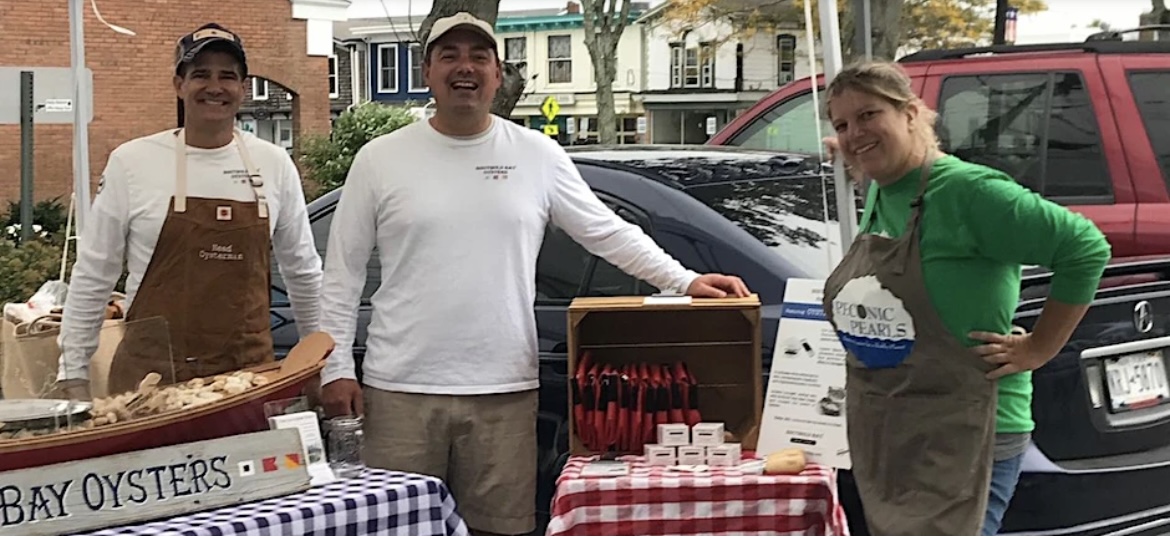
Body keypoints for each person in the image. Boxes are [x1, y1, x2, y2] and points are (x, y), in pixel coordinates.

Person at [316, 12, 750, 536]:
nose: (465, 68)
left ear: (499, 74)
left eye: (479, 57)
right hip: (400, 391)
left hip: (505, 391)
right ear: (426, 71)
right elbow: (340, 273)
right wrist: (335, 367)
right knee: (399, 530)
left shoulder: (537, 155)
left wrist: (683, 281)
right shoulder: (379, 160)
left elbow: (606, 231)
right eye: (449, 56)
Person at [818, 60, 1111, 536]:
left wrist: (1040, 347)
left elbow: (1085, 247)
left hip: (966, 431)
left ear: (912, 113)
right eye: (843, 125)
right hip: (896, 427)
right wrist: (854, 148)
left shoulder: (970, 192)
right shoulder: (884, 187)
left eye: (870, 115)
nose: (855, 133)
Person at [55, 23, 323, 399]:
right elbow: (94, 273)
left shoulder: (274, 164)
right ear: (178, 85)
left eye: (227, 76)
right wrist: (73, 372)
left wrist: (319, 362)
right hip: (147, 384)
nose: (215, 86)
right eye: (200, 75)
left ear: (243, 90)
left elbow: (304, 273)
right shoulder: (132, 163)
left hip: (246, 382)